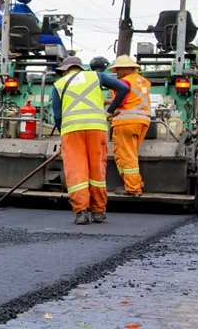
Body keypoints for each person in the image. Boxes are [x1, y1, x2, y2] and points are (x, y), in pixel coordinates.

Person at [51, 56, 129, 225]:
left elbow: (57, 115)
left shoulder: (59, 84)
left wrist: (63, 134)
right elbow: (123, 88)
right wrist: (110, 111)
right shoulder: (96, 76)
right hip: (97, 128)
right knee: (97, 170)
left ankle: (81, 213)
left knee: (76, 170)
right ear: (80, 68)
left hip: (71, 131)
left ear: (64, 70)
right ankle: (98, 212)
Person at [106, 55, 151, 197]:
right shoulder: (143, 81)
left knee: (126, 156)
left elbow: (120, 102)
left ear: (125, 68)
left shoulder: (124, 82)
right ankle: (136, 183)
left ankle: (133, 188)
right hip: (143, 122)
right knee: (131, 154)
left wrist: (106, 103)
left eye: (118, 69)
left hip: (126, 122)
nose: (117, 72)